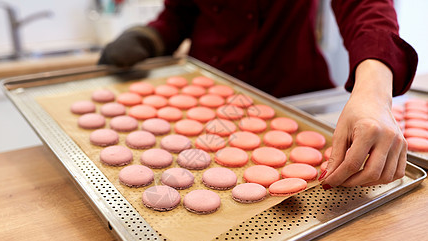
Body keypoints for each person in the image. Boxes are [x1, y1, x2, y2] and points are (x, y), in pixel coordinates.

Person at [98, 0, 418, 189]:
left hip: (292, 99)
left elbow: (366, 6)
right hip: (207, 101)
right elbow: (180, 13)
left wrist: (374, 90)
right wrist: (149, 37)